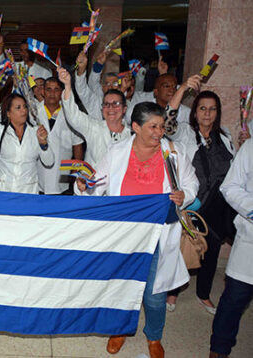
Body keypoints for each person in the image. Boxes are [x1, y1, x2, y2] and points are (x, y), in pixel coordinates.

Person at [75, 102, 199, 358]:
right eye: (152, 126)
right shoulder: (117, 152)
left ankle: (154, 336)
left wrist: (183, 195)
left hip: (157, 235)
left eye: (162, 126)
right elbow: (97, 184)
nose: (159, 132)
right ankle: (119, 329)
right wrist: (84, 185)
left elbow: (192, 183)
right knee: (121, 286)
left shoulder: (173, 154)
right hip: (125, 235)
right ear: (135, 127)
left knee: (154, 293)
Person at [165, 90, 235, 314]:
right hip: (194, 203)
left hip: (220, 204)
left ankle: (203, 294)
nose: (207, 113)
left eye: (212, 109)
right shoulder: (185, 133)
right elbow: (168, 120)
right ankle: (173, 291)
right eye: (202, 108)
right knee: (183, 247)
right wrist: (183, 87)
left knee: (213, 249)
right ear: (194, 112)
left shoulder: (225, 136)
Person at [209, 138, 253, 358]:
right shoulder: (251, 147)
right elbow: (230, 186)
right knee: (234, 300)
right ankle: (219, 350)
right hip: (250, 244)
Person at [58, 67, 132, 167]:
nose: (111, 108)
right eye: (106, 104)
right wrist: (67, 85)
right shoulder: (94, 128)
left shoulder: (132, 136)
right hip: (93, 181)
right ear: (102, 109)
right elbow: (73, 115)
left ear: (124, 109)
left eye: (116, 104)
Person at [0, 92, 53, 193]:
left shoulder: (36, 132)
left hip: (29, 192)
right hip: (4, 190)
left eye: (25, 106)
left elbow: (49, 162)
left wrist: (43, 143)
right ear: (8, 113)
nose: (23, 110)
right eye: (18, 108)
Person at [36, 76, 84, 194]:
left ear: (62, 92)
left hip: (63, 180)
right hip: (38, 179)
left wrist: (75, 172)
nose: (52, 93)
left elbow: (77, 145)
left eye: (56, 89)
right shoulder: (34, 112)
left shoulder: (70, 114)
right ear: (43, 92)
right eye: (48, 89)